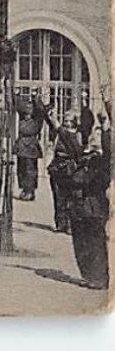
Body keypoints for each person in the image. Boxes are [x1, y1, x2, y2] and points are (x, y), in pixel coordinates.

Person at [64, 104, 110, 290]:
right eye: (93, 136)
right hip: (78, 206)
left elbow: (108, 148)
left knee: (95, 242)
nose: (94, 139)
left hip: (93, 206)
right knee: (80, 242)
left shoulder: (102, 161)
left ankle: (99, 277)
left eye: (97, 137)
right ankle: (89, 275)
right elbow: (72, 138)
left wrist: (105, 126)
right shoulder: (83, 156)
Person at [14, 94, 51, 201]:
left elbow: (40, 110)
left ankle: (30, 190)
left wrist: (35, 98)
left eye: (30, 108)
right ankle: (24, 189)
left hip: (31, 145)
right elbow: (17, 105)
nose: (28, 110)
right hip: (21, 144)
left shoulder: (37, 119)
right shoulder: (22, 117)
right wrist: (16, 93)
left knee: (30, 169)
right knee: (21, 169)